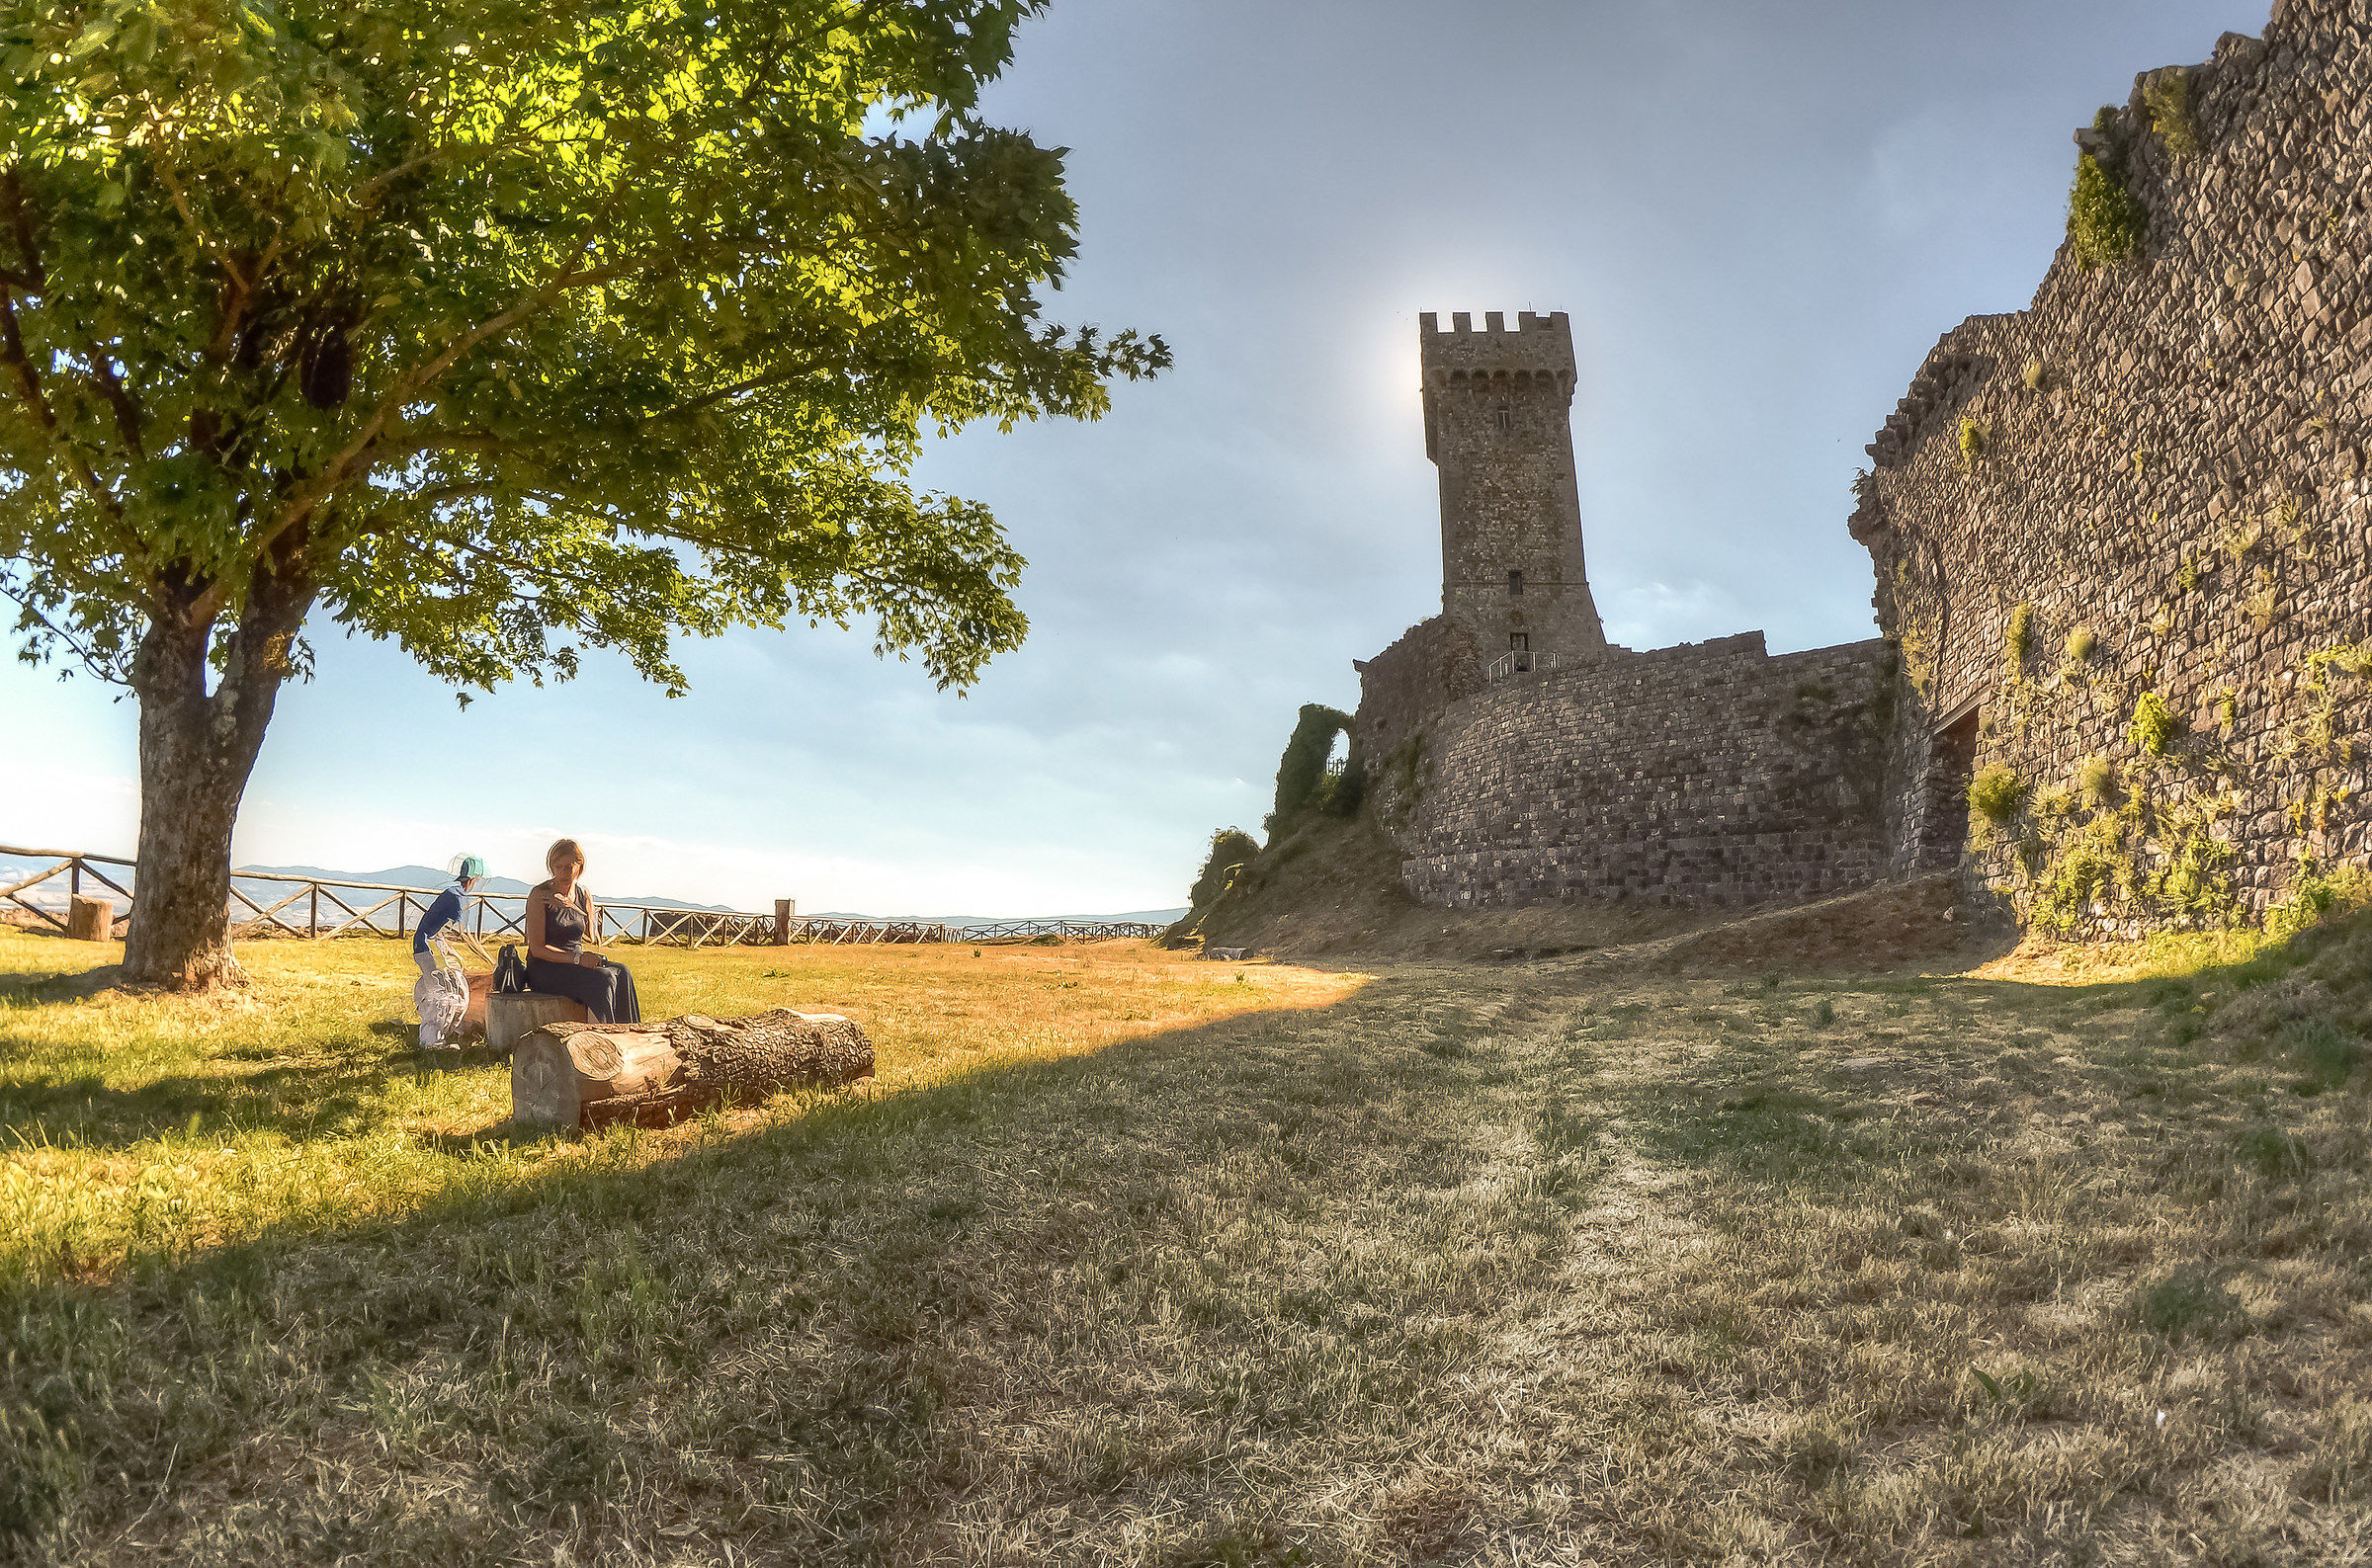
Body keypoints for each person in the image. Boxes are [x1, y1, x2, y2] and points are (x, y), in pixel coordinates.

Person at [525, 837, 641, 1024]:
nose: (562, 873)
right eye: (558, 867)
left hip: (577, 963)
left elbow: (592, 935)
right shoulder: (540, 895)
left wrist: (578, 908)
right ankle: (599, 1037)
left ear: (579, 868)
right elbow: (537, 949)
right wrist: (577, 959)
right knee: (602, 980)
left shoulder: (582, 893)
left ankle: (628, 1034)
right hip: (545, 968)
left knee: (623, 972)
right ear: (551, 867)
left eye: (568, 867)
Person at [414, 855, 486, 975]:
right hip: (426, 947)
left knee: (452, 971)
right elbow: (460, 933)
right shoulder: (456, 898)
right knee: (453, 973)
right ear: (471, 880)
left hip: (425, 943)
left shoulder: (453, 893)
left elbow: (445, 928)